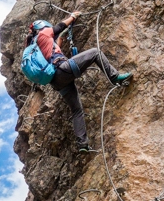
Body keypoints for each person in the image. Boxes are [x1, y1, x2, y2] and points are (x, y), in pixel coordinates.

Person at [27, 11, 132, 152]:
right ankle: (114, 78)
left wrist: (60, 41)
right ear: (42, 27)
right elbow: (59, 27)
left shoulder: (35, 47)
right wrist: (73, 16)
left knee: (76, 110)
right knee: (95, 52)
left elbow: (52, 51)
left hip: (56, 81)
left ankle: (82, 144)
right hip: (62, 69)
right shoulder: (44, 33)